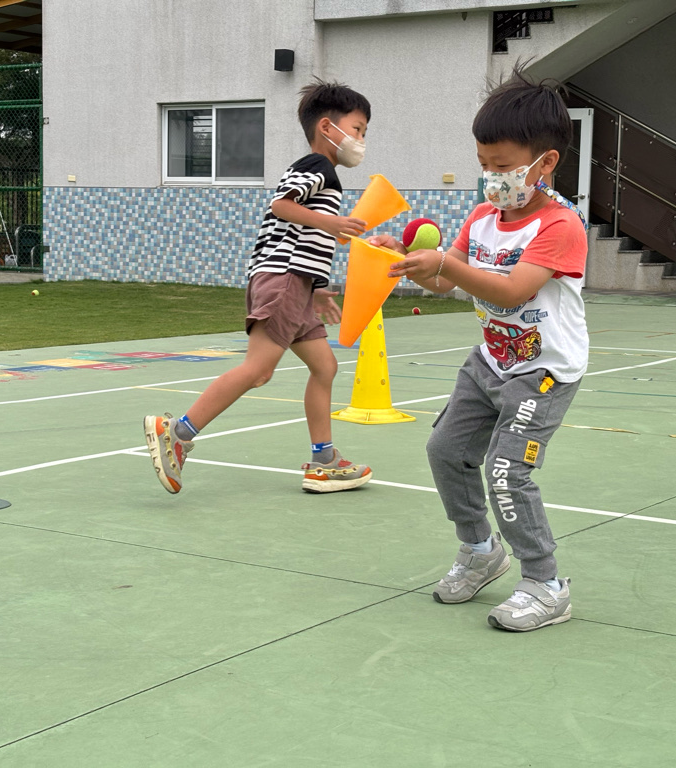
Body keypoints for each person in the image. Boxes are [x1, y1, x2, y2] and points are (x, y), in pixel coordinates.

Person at [371, 68, 590, 631]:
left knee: (506, 472)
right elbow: (446, 282)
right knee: (445, 451)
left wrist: (445, 263)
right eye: (484, 164)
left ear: (545, 163)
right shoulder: (481, 218)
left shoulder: (561, 226)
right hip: (490, 362)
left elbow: (512, 290)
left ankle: (545, 584)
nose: (492, 177)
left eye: (503, 165)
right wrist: (407, 260)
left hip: (542, 372)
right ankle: (479, 550)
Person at [144, 80, 374, 495]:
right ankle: (177, 433)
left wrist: (317, 288)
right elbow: (282, 206)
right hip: (283, 280)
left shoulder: (323, 172)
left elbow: (304, 238)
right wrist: (334, 223)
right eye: (357, 129)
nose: (361, 140)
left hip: (297, 284)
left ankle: (324, 461)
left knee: (325, 366)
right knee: (259, 369)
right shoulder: (316, 166)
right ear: (327, 127)